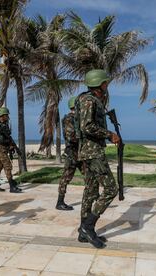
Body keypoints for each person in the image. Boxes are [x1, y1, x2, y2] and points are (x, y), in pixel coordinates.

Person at [75, 69, 120, 249]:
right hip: (92, 153)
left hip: (89, 151)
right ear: (101, 84)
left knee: (91, 191)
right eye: (105, 83)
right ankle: (87, 226)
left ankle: (83, 231)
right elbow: (87, 127)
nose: (107, 86)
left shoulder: (91, 100)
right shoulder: (89, 100)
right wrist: (109, 134)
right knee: (111, 189)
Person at [56, 96, 83, 211]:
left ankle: (92, 197)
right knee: (66, 177)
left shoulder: (78, 118)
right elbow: (71, 137)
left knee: (89, 175)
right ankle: (60, 202)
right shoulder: (69, 119)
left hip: (80, 152)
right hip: (72, 153)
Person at [0, 107, 22, 193]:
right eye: (7, 115)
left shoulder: (5, 124)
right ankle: (12, 187)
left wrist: (12, 146)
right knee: (8, 166)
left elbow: (8, 137)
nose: (8, 117)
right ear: (2, 115)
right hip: (0, 149)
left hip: (4, 148)